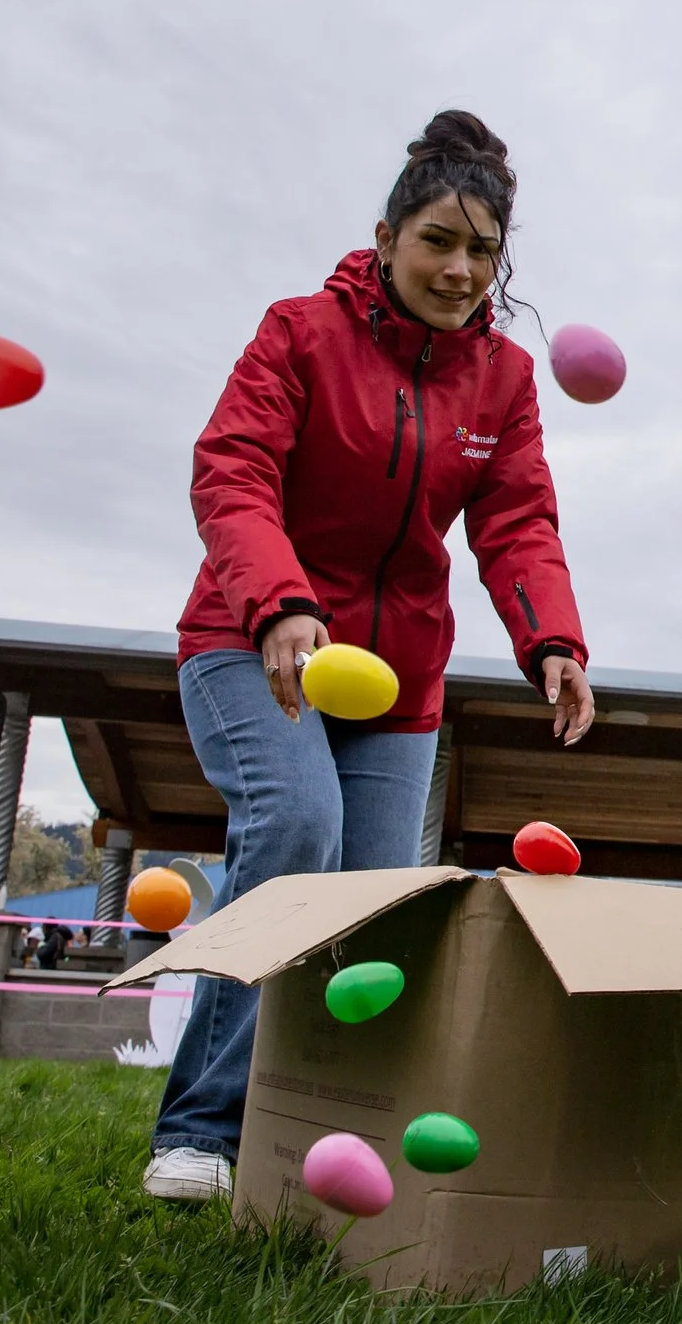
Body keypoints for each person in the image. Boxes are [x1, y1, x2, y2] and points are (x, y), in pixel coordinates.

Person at [148, 112, 593, 1204]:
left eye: (483, 251)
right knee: (297, 832)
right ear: (386, 236)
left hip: (396, 682)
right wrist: (281, 605)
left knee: (380, 905)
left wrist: (553, 637)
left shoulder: (502, 379)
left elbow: (517, 519)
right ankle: (201, 1129)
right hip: (252, 644)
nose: (459, 269)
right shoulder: (299, 333)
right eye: (439, 240)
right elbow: (232, 471)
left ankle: (318, 1143)